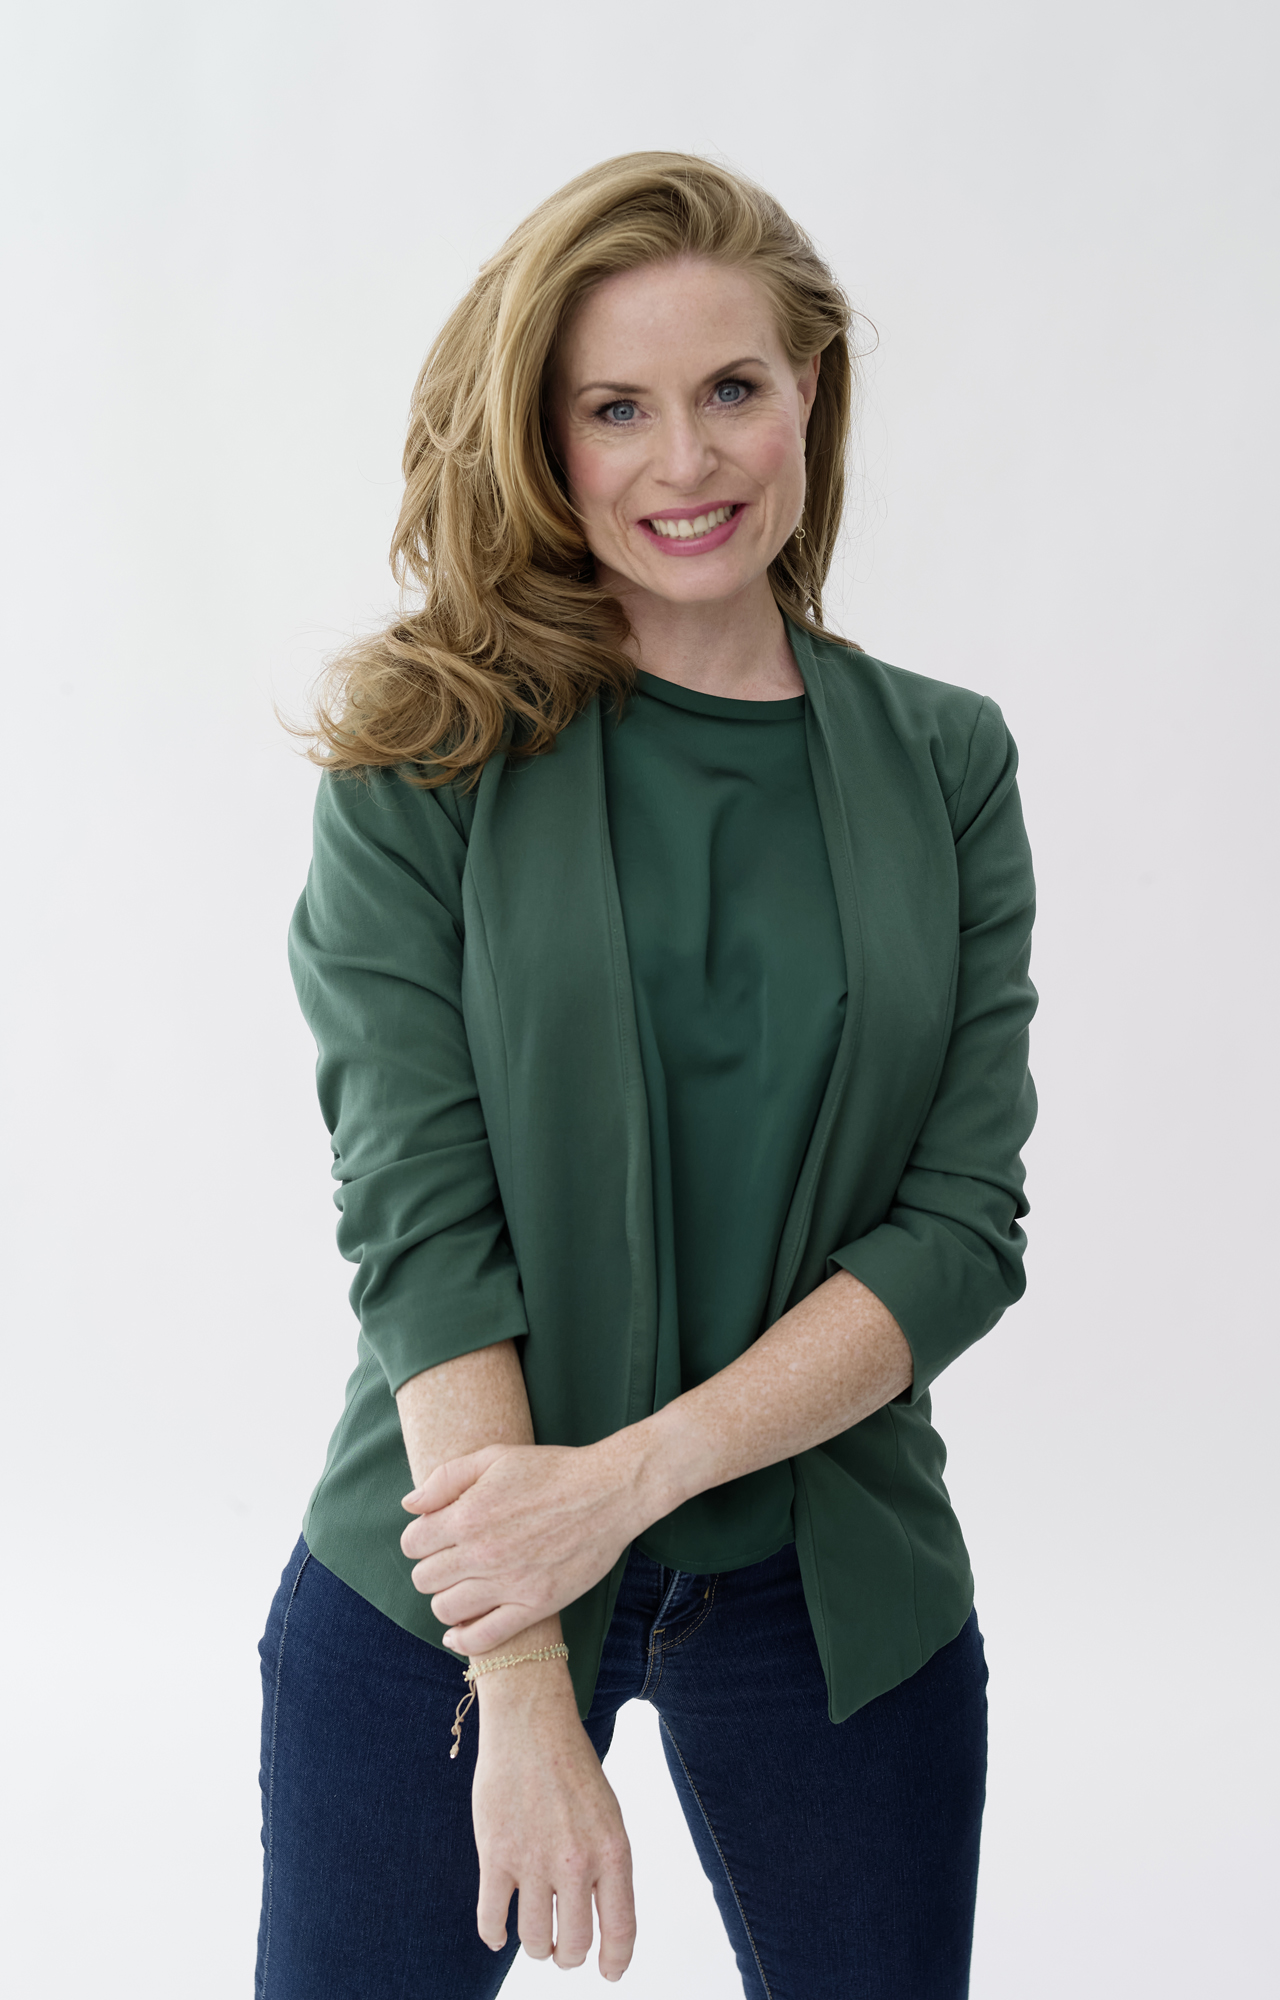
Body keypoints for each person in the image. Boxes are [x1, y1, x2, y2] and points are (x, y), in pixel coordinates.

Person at [256, 152, 1037, 2000]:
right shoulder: (423, 759)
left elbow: (960, 1229)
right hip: (452, 1571)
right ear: (545, 435)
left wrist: (622, 1486)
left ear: (809, 394)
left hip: (833, 1581)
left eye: (731, 389)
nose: (685, 461)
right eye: (616, 408)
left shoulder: (947, 762)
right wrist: (520, 1662)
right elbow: (423, 1235)